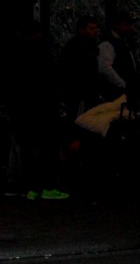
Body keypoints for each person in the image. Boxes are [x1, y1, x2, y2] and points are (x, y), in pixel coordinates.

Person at [4, 20, 69, 200]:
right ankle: (47, 186)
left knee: (27, 150)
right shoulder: (42, 56)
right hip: (43, 109)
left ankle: (30, 187)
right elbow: (49, 83)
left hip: (22, 110)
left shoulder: (15, 57)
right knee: (47, 148)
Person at [59, 14, 102, 120]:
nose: (95, 31)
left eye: (96, 28)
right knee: (81, 121)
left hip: (83, 94)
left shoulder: (85, 46)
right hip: (80, 95)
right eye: (91, 28)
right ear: (81, 30)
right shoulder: (78, 48)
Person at [98, 10, 140, 110]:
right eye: (127, 25)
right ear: (116, 25)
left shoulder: (123, 43)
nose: (130, 28)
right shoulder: (108, 44)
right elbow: (105, 68)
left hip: (124, 92)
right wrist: (122, 84)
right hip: (116, 94)